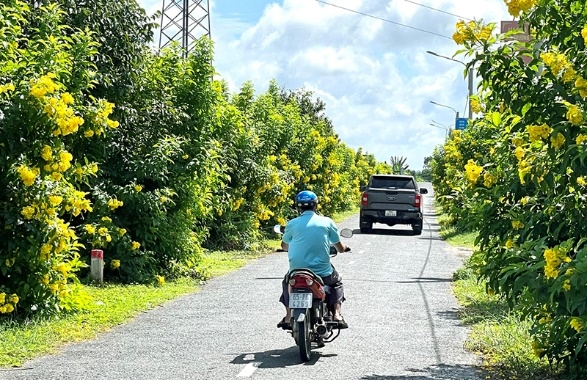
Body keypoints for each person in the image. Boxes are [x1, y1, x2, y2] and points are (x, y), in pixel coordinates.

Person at [277, 190, 350, 330]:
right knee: (337, 282)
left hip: (297, 271)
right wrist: (345, 248)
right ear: (316, 205)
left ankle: (287, 316)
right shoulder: (327, 222)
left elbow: (284, 246)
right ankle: (336, 314)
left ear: (298, 207)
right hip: (322, 273)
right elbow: (340, 248)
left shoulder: (291, 224)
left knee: (287, 282)